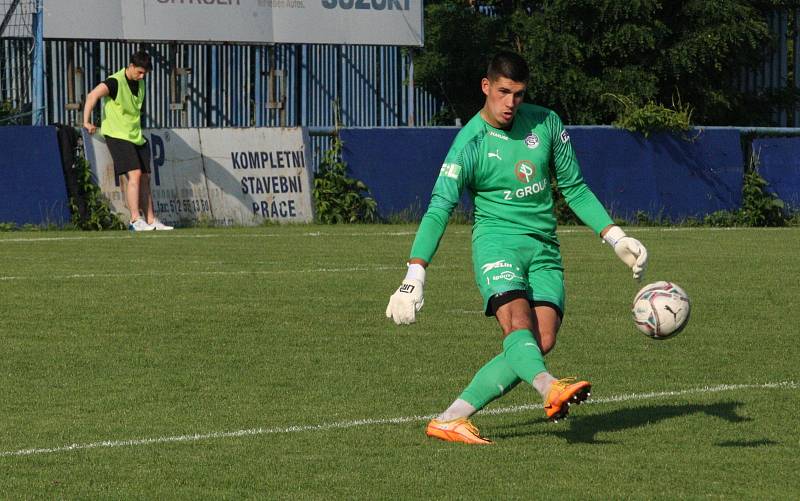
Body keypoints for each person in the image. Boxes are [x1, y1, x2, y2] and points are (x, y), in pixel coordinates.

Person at [385, 51, 648, 444]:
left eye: (519, 94)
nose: (511, 103)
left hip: (544, 247)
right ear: (486, 87)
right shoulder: (469, 144)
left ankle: (451, 418)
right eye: (503, 92)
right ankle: (549, 388)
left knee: (540, 341)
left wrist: (616, 237)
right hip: (497, 244)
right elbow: (440, 206)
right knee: (518, 326)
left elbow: (573, 188)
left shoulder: (546, 123)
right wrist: (414, 274)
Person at [83, 50, 173, 231]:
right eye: (139, 72)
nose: (142, 76)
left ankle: (151, 220)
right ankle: (134, 220)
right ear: (131, 66)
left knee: (146, 177)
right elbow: (92, 96)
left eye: (145, 74)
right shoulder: (115, 81)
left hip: (135, 136)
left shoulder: (140, 83)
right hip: (117, 135)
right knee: (135, 174)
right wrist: (86, 121)